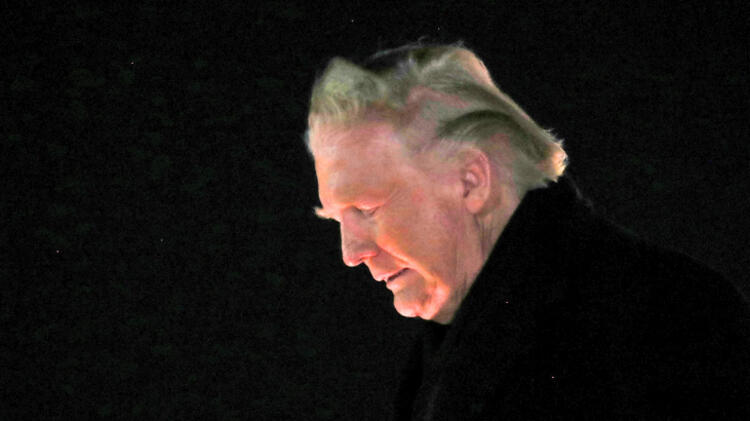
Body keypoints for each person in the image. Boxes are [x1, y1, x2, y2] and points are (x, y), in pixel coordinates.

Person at [304, 42, 750, 420]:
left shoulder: (665, 326)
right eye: (338, 219)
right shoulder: (448, 359)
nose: (351, 252)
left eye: (367, 208)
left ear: (471, 181)